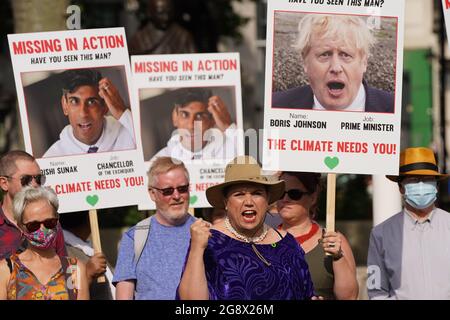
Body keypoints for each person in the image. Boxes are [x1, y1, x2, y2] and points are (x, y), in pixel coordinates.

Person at [178, 155, 314, 300]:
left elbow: (306, 293)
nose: (249, 201)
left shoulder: (288, 243)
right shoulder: (209, 242)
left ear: (267, 199)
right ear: (226, 202)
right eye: (239, 194)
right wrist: (197, 249)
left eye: (257, 193)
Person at [367, 147, 450, 300]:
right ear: (400, 187)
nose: (420, 185)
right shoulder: (381, 234)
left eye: (427, 180)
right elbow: (377, 291)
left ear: (437, 185)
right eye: (412, 180)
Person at [272, 14, 394, 113]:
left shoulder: (393, 109)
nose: (336, 68)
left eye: (345, 55)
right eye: (325, 54)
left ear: (364, 62)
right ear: (305, 61)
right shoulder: (275, 106)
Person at [113, 157, 196, 299]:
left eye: (182, 189)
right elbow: (124, 294)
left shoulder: (208, 233)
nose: (176, 196)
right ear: (152, 193)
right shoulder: (135, 237)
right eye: (168, 191)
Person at [277, 171, 358, 300]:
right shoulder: (262, 240)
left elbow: (350, 297)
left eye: (294, 194)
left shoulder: (334, 239)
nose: (285, 199)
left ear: (313, 197)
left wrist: (338, 257)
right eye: (280, 193)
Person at [0, 186, 89, 300]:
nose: (42, 230)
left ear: (57, 220)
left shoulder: (74, 270)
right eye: (34, 225)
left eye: (49, 222)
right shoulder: (6, 270)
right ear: (21, 226)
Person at [43, 69, 135, 157]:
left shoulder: (130, 134)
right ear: (64, 105)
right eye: (74, 101)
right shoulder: (51, 157)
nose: (83, 114)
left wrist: (122, 112)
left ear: (105, 106)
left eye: (91, 102)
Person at [0, 150, 66, 260]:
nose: (35, 185)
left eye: (39, 179)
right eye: (26, 179)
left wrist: (86, 273)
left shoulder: (50, 223)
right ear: (4, 183)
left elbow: (66, 269)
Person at [151, 88, 237, 162]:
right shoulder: (157, 161)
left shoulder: (231, 150)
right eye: (184, 115)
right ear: (175, 118)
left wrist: (228, 127)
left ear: (212, 121)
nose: (191, 126)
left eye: (199, 116)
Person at [59, 211, 115, 300]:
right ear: (89, 219)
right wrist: (88, 274)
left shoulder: (91, 248)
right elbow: (67, 293)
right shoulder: (63, 252)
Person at [129, 0, 196, 55]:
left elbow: (193, 63)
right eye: (160, 13)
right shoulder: (139, 39)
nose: (166, 17)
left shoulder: (183, 36)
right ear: (149, 13)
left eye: (169, 12)